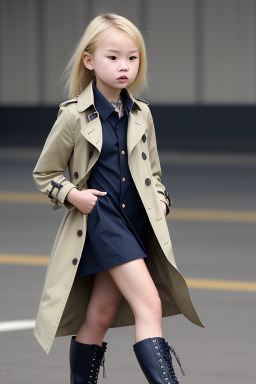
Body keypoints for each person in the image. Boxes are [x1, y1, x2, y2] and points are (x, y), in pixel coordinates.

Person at [32, 13, 204, 384]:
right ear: (89, 60)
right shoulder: (74, 116)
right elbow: (45, 174)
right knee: (149, 304)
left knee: (102, 312)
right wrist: (74, 196)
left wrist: (161, 201)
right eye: (113, 57)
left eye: (132, 57)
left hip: (136, 223)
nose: (124, 66)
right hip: (102, 221)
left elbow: (154, 175)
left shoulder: (141, 114)